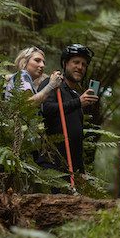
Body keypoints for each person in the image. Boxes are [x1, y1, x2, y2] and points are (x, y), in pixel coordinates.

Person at [39, 43, 99, 180]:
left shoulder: (76, 95)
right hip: (52, 163)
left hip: (72, 168)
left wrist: (81, 170)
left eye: (84, 64)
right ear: (65, 63)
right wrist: (78, 103)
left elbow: (76, 138)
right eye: (76, 62)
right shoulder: (52, 84)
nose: (80, 67)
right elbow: (46, 109)